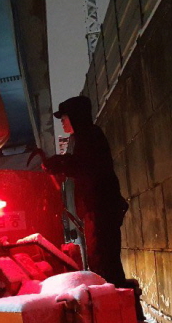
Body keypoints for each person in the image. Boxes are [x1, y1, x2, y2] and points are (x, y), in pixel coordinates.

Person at [42, 95, 128, 287]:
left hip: (101, 210)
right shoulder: (83, 137)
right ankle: (114, 302)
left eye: (64, 118)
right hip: (97, 210)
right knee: (102, 262)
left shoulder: (90, 136)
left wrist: (62, 163)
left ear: (75, 117)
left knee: (104, 262)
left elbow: (88, 167)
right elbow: (82, 166)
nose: (63, 123)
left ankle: (115, 306)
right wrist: (63, 164)